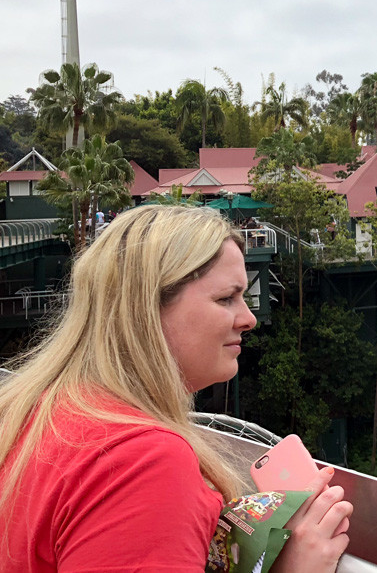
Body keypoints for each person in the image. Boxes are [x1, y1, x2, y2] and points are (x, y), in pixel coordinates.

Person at [0, 205, 353, 572]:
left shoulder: (31, 411)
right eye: (226, 298)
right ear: (147, 310)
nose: (249, 319)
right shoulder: (140, 463)